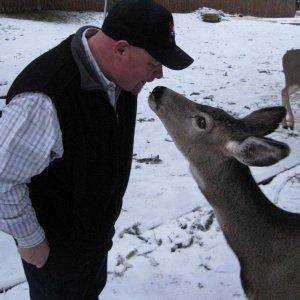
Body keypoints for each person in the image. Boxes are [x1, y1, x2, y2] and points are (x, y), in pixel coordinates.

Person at [0, 0, 193, 299]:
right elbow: (2, 178)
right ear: (120, 49)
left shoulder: (121, 78)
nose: (159, 76)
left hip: (94, 239)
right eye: (154, 65)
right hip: (55, 252)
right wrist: (30, 240)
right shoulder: (45, 98)